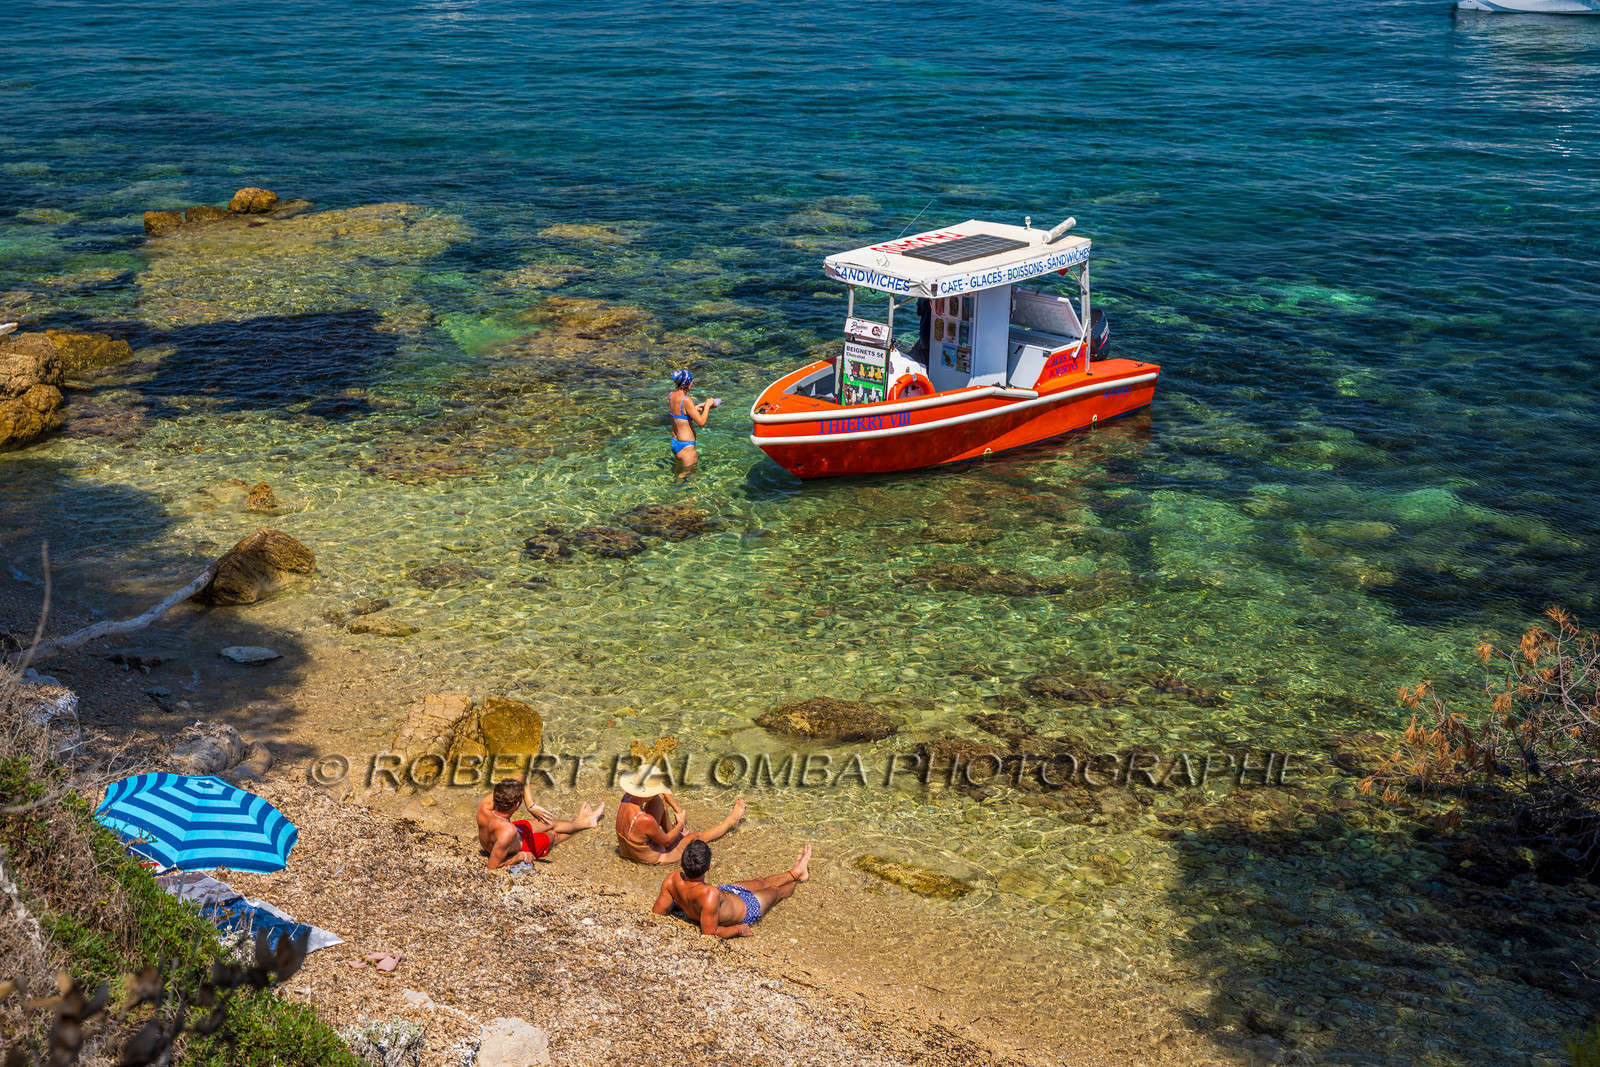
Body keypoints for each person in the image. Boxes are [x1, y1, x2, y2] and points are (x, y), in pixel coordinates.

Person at [652, 840, 811, 938]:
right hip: (747, 909)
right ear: (709, 867)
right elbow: (710, 932)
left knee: (761, 882)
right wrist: (737, 929)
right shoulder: (710, 895)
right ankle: (797, 879)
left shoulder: (672, 880)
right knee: (776, 891)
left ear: (681, 864)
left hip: (728, 892)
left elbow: (659, 910)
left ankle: (797, 872)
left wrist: (679, 903)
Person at [615, 763, 745, 865]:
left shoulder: (627, 798)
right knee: (696, 837)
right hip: (654, 857)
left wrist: (679, 811)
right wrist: (681, 822)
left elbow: (663, 792)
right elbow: (666, 842)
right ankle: (730, 822)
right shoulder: (645, 819)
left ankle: (677, 835)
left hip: (628, 851)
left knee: (659, 798)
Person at [476, 777, 604, 870]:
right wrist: (521, 856)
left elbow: (524, 777)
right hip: (519, 847)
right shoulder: (508, 831)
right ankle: (583, 823)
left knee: (549, 822)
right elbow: (492, 866)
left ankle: (583, 822)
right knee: (553, 835)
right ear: (517, 805)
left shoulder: (485, 807)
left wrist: (531, 806)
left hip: (509, 832)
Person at [667, 368, 719, 469]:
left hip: (675, 443)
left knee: (679, 474)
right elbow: (701, 422)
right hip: (686, 447)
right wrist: (707, 405)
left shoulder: (671, 395)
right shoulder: (686, 400)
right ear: (687, 383)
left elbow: (678, 413)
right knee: (691, 478)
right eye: (691, 382)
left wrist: (694, 409)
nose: (692, 384)